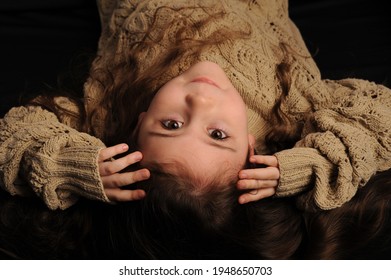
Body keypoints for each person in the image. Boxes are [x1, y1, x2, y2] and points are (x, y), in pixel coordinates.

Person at [0, 0, 391, 259]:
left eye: (171, 125)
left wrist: (68, 167)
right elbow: (381, 112)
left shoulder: (107, 113)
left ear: (135, 130)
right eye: (218, 134)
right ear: (255, 151)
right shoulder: (289, 114)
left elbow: (12, 138)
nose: (200, 102)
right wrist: (321, 162)